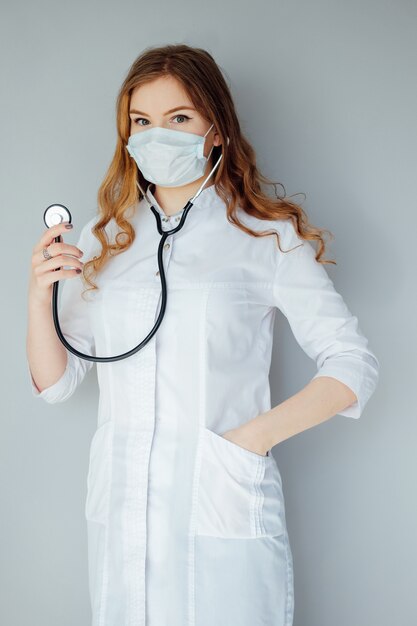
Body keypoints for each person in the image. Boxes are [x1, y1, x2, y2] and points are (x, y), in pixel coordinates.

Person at [26, 43, 380, 626]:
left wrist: (246, 443)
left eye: (179, 118)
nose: (156, 136)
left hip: (221, 502)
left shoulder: (265, 236)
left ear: (216, 130)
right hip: (122, 513)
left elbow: (352, 366)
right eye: (142, 121)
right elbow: (58, 383)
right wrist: (40, 297)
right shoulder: (103, 236)